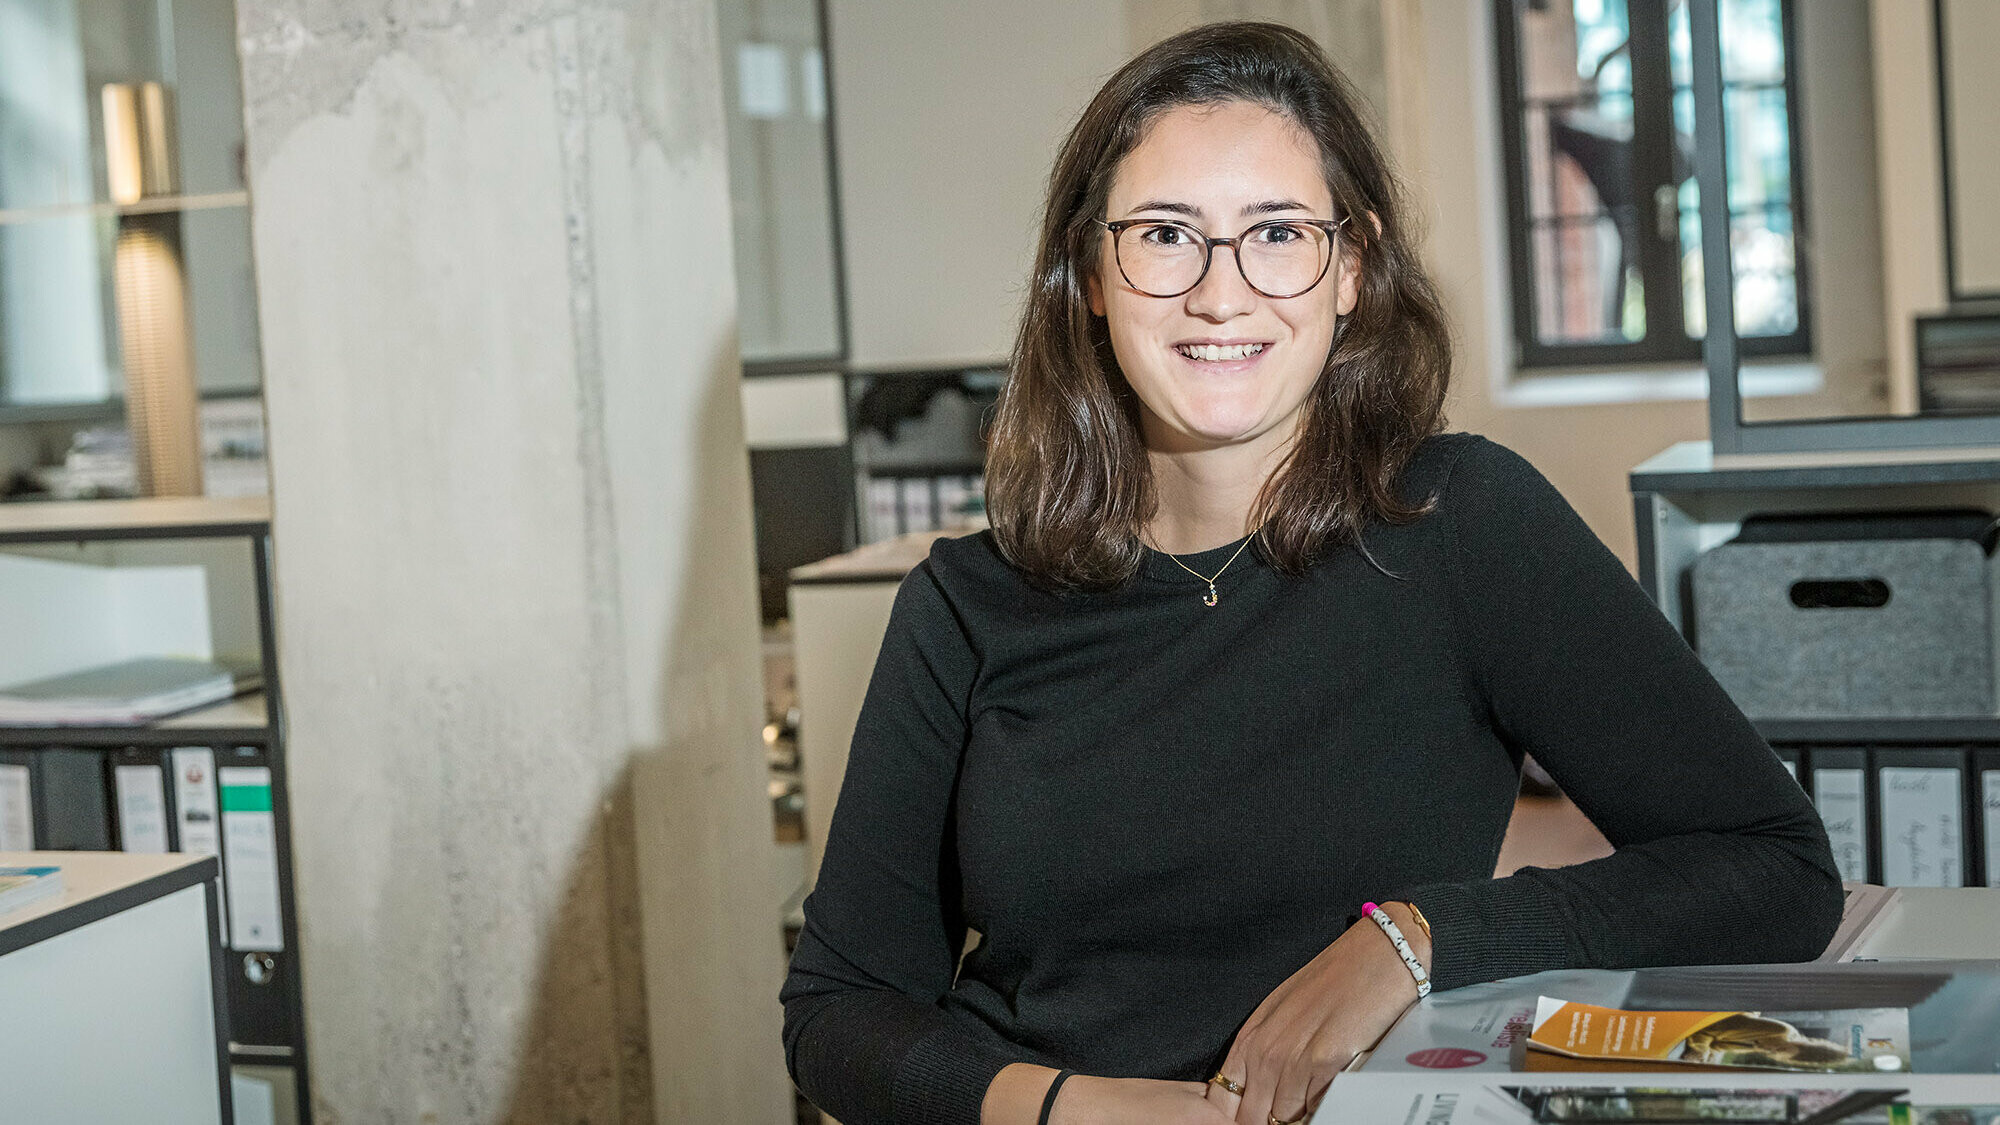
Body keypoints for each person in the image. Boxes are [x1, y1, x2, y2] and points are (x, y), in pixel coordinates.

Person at [780, 21, 1842, 1125]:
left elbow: (1769, 867)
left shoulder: (1458, 523)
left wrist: (1413, 940)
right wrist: (1077, 1109)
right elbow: (840, 1011)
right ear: (1087, 275)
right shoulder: (965, 603)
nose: (1220, 294)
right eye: (1162, 235)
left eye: (1277, 233)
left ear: (1350, 269)